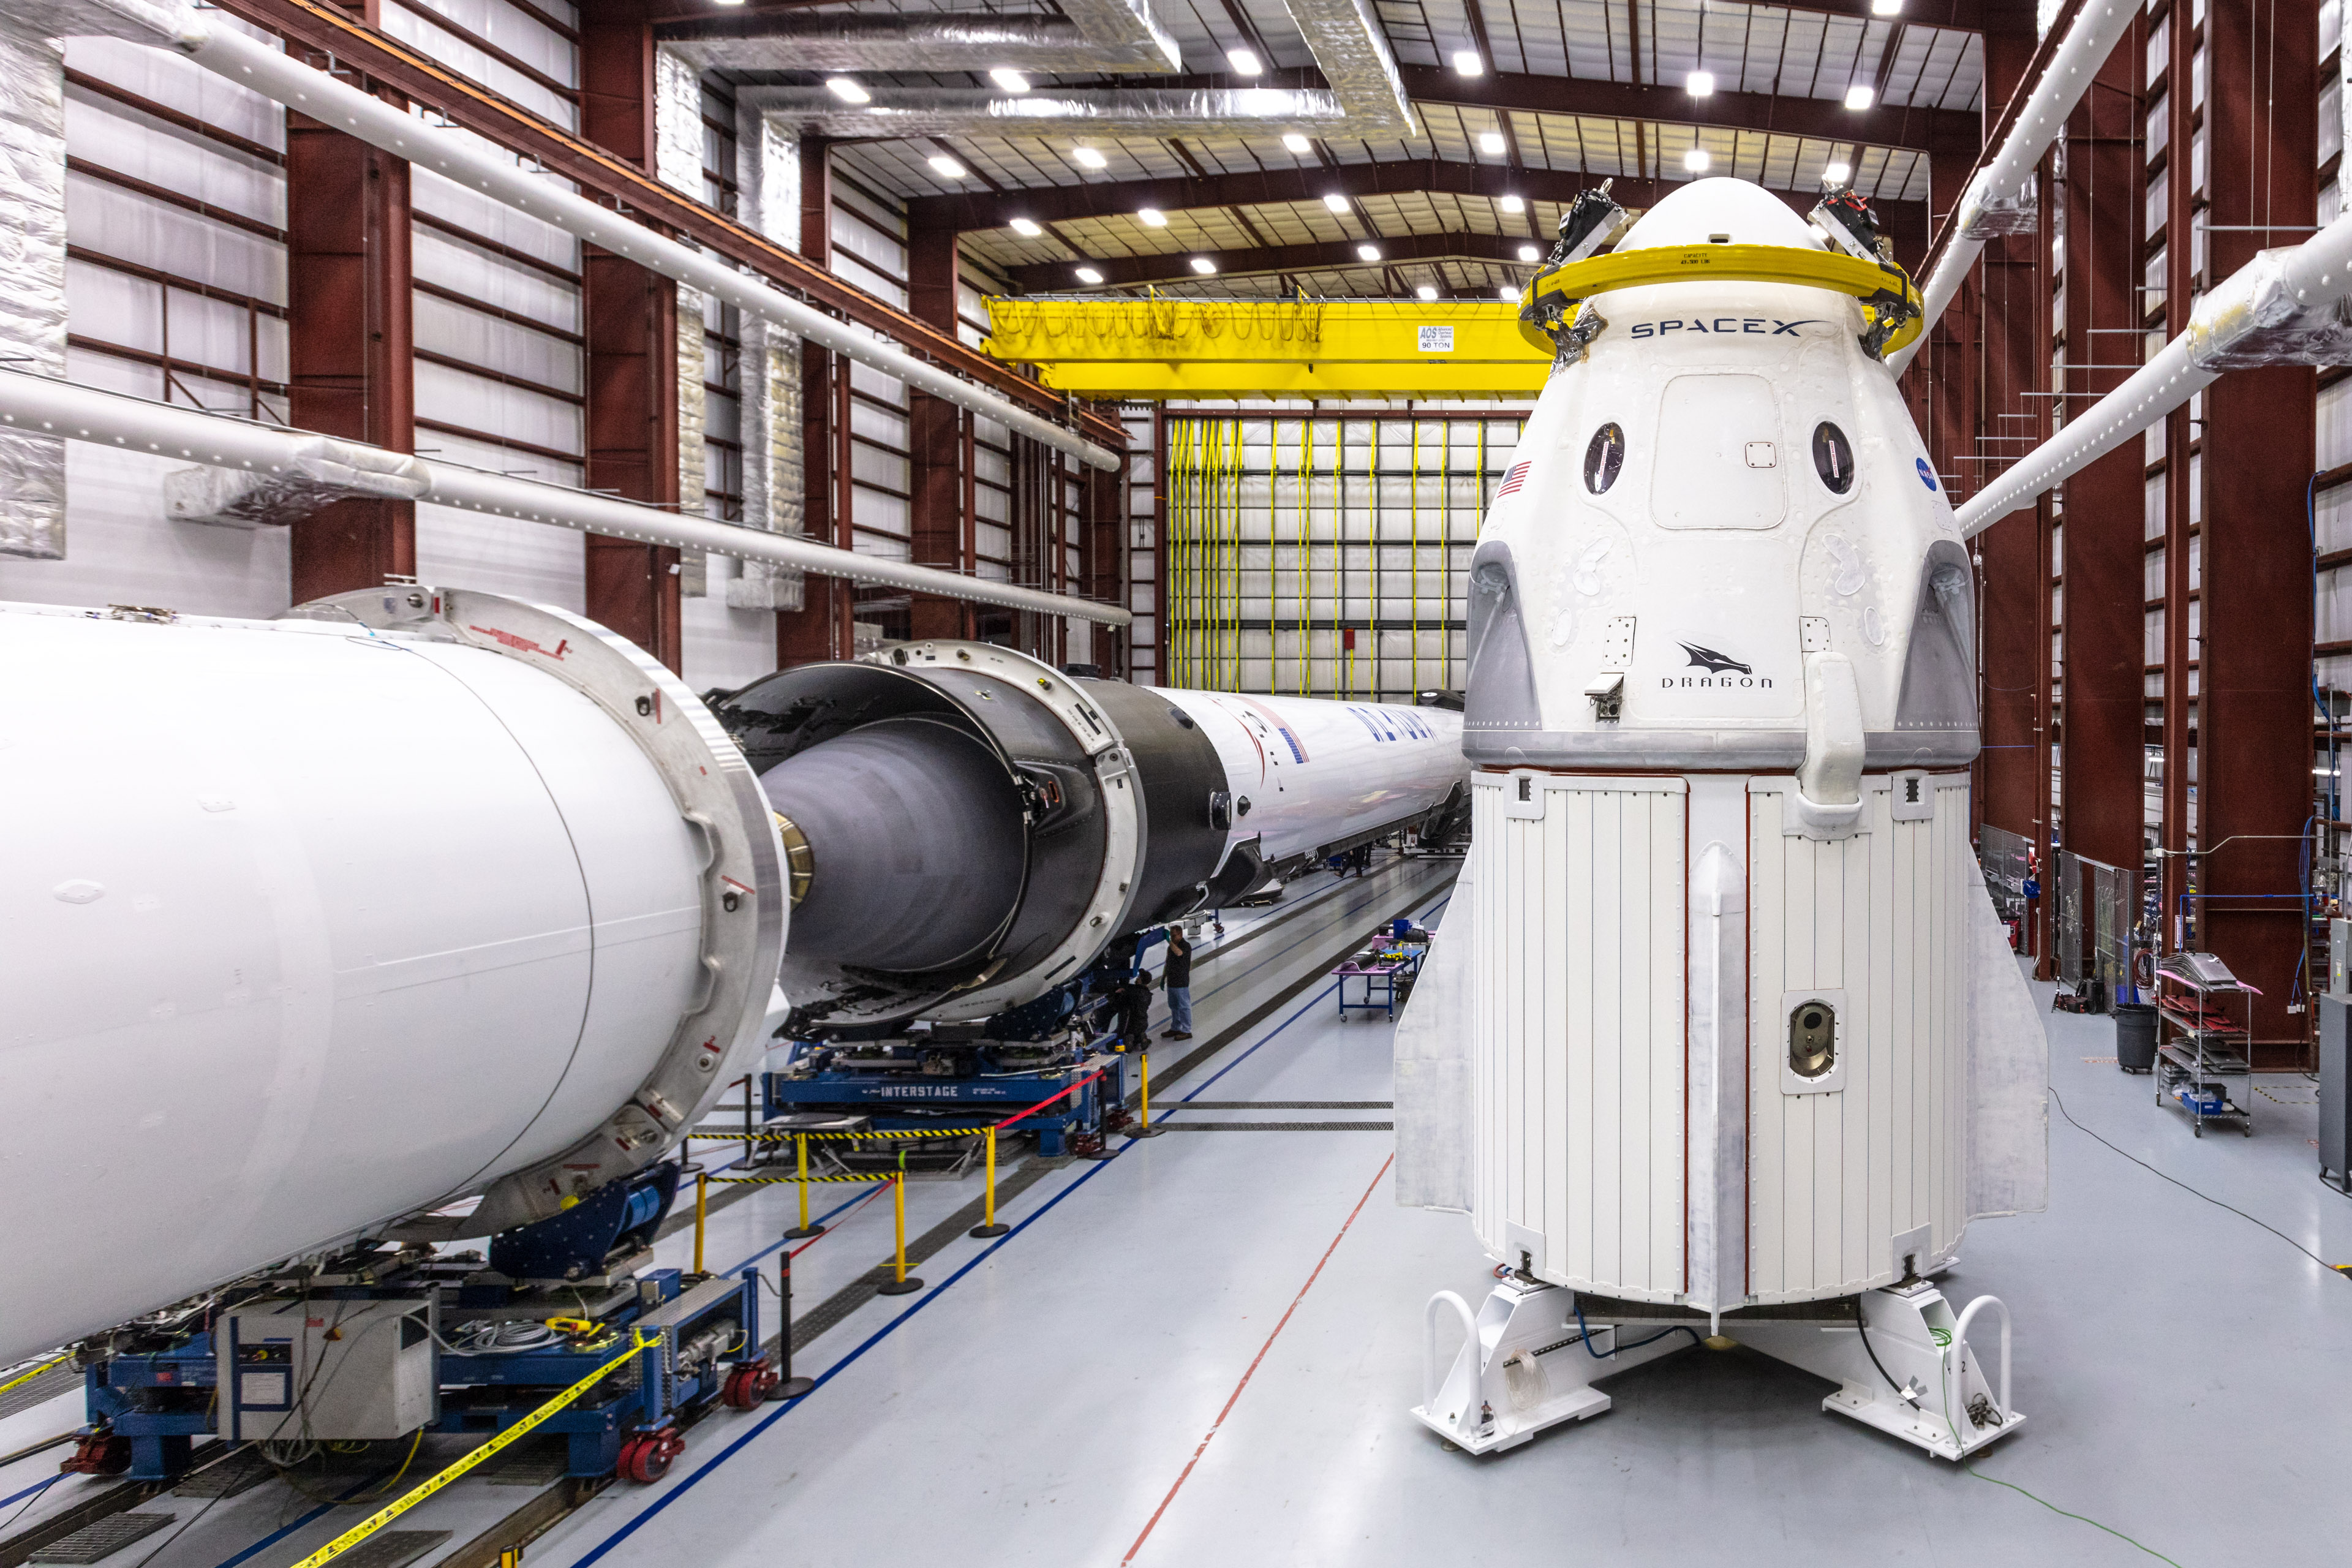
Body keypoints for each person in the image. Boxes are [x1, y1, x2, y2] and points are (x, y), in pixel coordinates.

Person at [1161, 926, 1193, 1040]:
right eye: (1171, 936)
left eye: (1174, 936)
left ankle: (1187, 1031)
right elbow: (1167, 962)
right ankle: (1176, 1028)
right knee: (1174, 1007)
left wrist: (1169, 942)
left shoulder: (1185, 946)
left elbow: (1179, 953)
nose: (1172, 938)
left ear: (1180, 934)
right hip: (1171, 981)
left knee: (1184, 1007)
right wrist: (1163, 977)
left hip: (1181, 982)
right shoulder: (1170, 948)